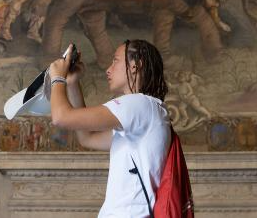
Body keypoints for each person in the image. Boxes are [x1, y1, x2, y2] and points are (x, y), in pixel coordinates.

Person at [48, 40, 171, 217]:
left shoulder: (138, 104)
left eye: (115, 61)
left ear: (135, 66)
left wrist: (57, 78)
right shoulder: (147, 111)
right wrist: (72, 83)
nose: (108, 69)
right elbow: (87, 138)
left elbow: (60, 117)